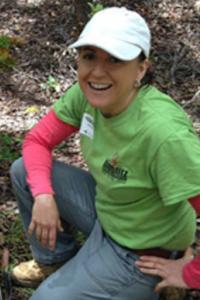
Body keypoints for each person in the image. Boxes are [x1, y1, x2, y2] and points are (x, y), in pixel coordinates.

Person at [10, 6, 200, 300]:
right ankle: (57, 263)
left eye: (115, 59)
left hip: (140, 251)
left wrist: (190, 274)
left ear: (141, 68)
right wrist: (44, 195)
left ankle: (158, 283)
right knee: (25, 172)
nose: (97, 72)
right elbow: (37, 141)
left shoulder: (164, 134)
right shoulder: (87, 95)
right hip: (109, 212)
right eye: (89, 56)